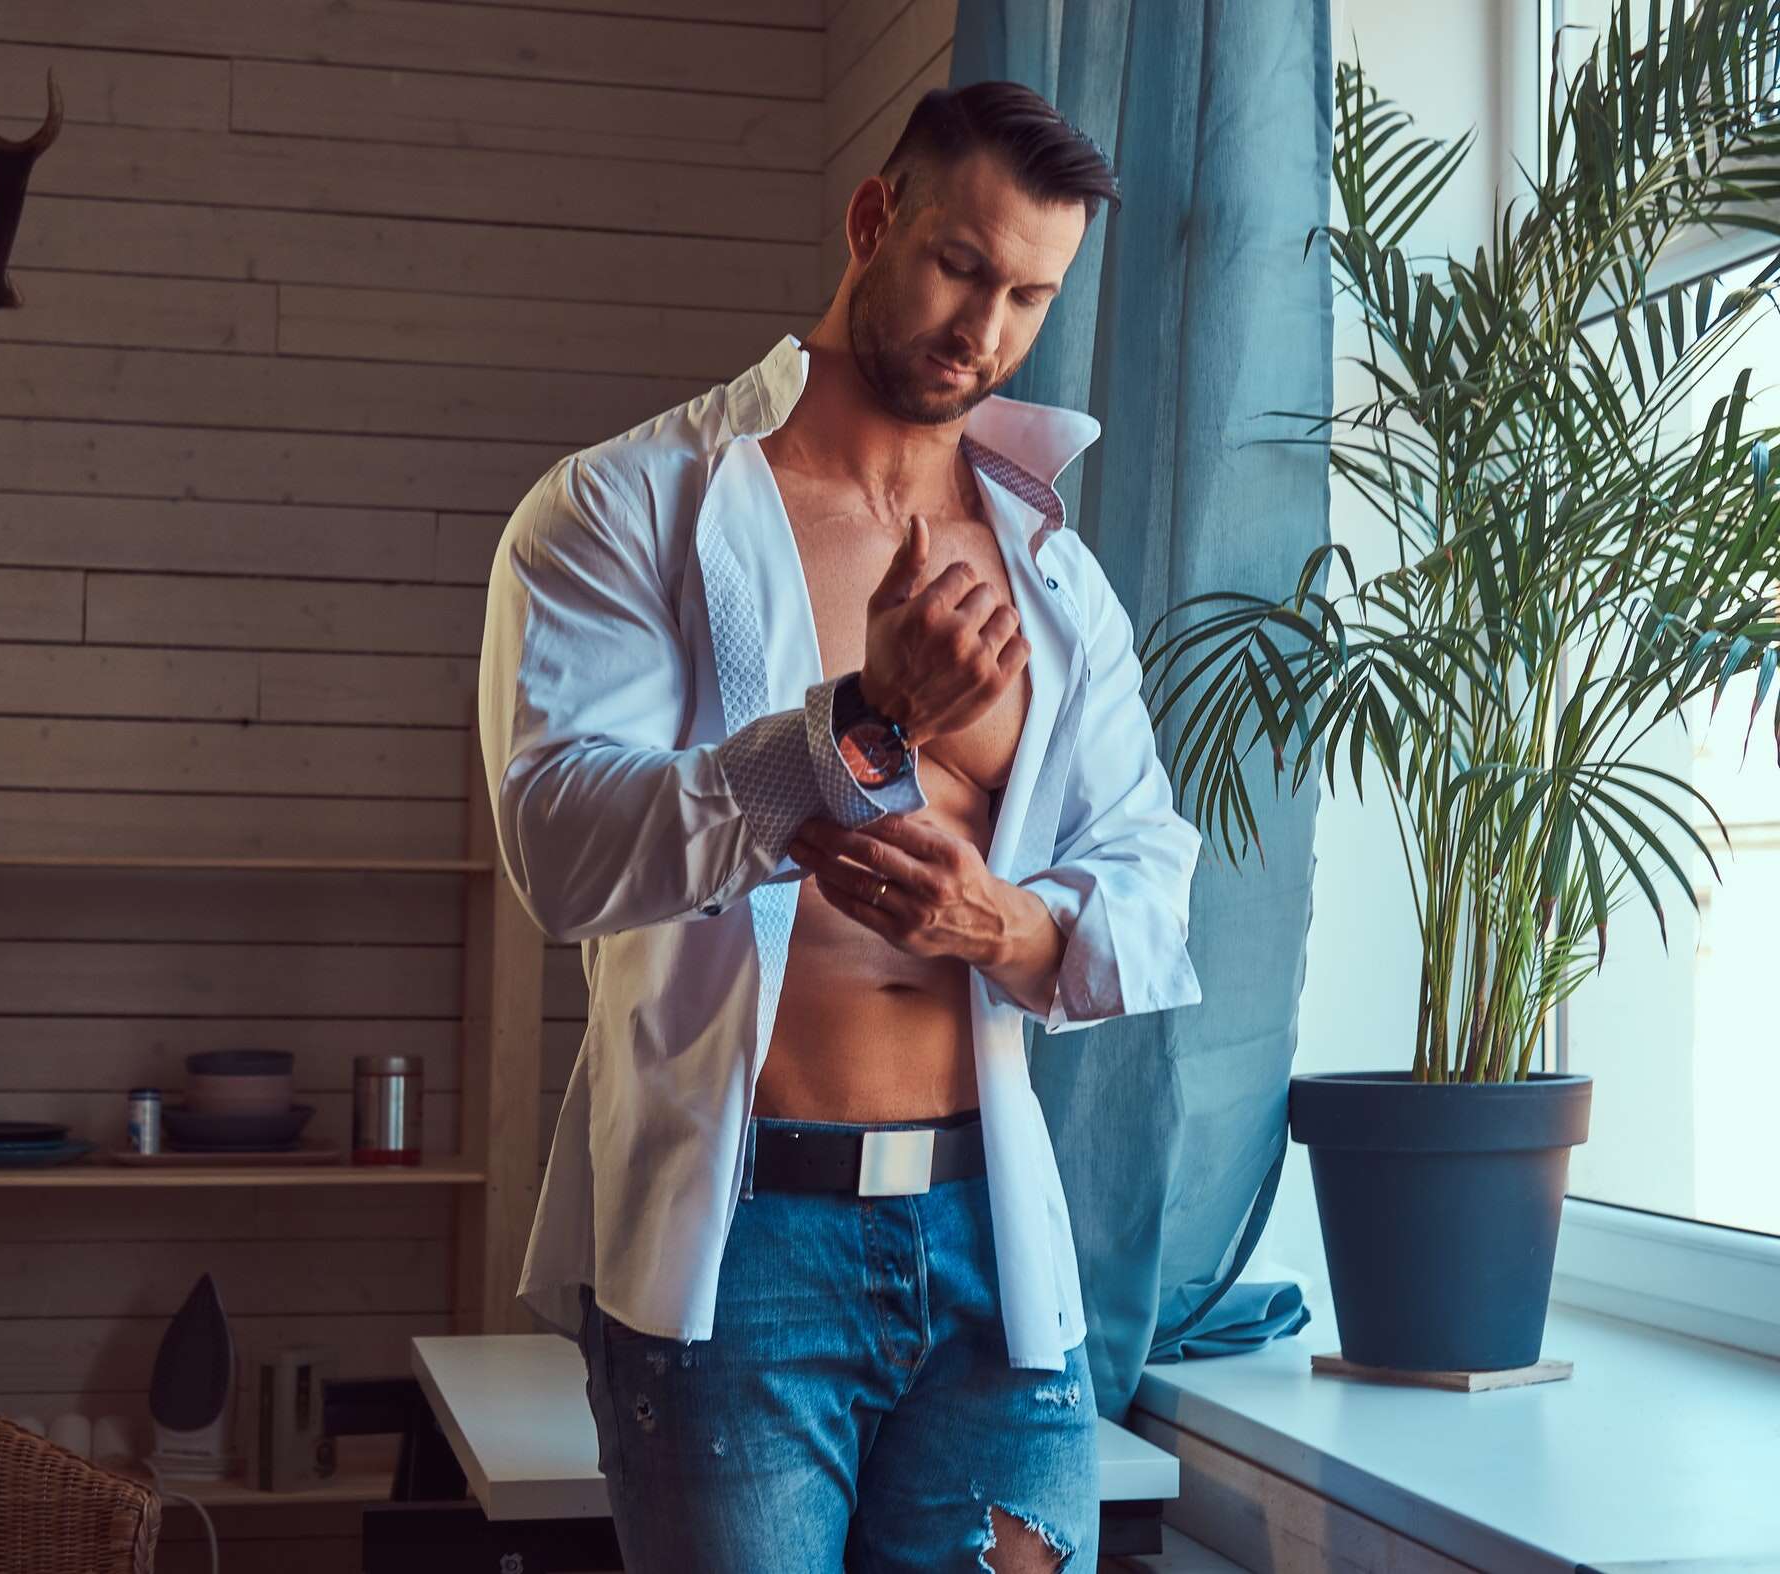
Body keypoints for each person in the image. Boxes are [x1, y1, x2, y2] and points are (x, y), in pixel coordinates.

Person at [476, 79, 1202, 1574]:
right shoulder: (625, 508)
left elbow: (1150, 872)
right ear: (875, 219)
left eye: (1030, 298)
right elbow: (561, 842)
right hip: (746, 1250)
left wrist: (1000, 921)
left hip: (990, 1238)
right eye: (960, 265)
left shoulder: (1054, 569)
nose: (986, 329)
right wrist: (856, 720)